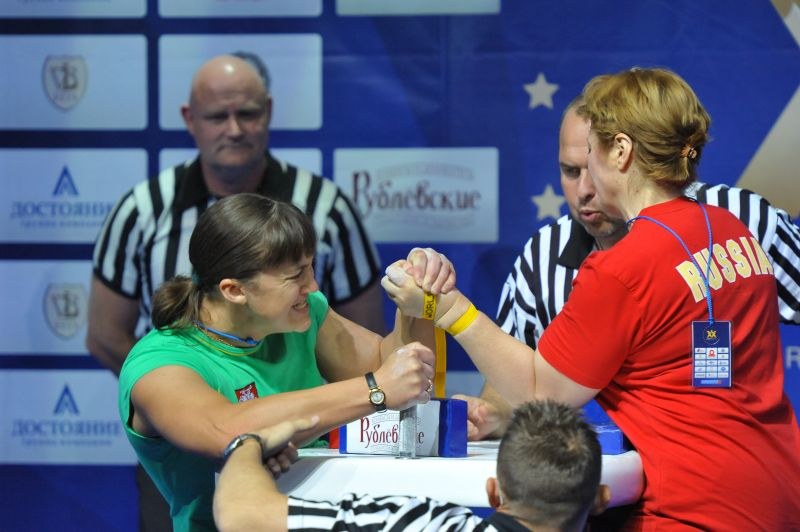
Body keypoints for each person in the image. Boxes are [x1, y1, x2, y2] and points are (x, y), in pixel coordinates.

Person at [383, 67, 800, 529]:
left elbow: (541, 393)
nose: (585, 182)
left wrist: (446, 309)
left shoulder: (621, 268)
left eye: (592, 151)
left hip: (694, 510)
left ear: (620, 151)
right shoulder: (732, 229)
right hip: (779, 495)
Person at [89, 53, 385, 530]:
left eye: (247, 113)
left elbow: (379, 352)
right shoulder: (142, 212)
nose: (234, 129)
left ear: (268, 111)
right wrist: (177, 400)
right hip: (193, 459)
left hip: (319, 481)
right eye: (217, 116)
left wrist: (425, 306)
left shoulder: (325, 211)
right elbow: (109, 336)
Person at [461, 95, 800, 441]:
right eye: (570, 171)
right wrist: (493, 413)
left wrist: (455, 313)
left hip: (725, 459)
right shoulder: (542, 256)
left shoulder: (741, 218)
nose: (584, 190)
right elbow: (517, 380)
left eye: (595, 167)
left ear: (626, 156)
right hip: (605, 469)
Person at [118, 193, 454, 532]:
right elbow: (229, 431)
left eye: (310, 267)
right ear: (234, 290)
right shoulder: (158, 364)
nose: (313, 286)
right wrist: (375, 390)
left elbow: (399, 371)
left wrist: (419, 302)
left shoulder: (302, 315)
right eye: (295, 276)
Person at [213, 400, 610, 532]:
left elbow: (241, 515)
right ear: (600, 499)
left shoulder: (418, 523)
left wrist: (249, 444)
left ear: (493, 491)